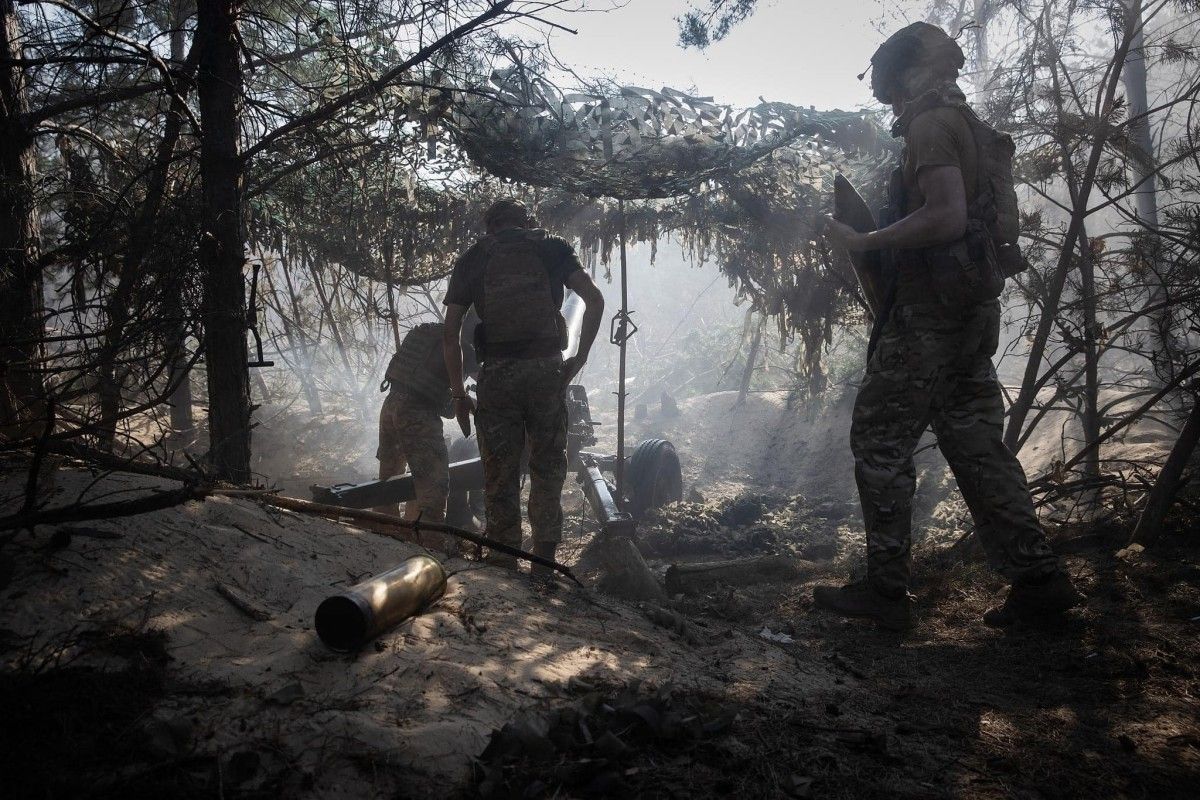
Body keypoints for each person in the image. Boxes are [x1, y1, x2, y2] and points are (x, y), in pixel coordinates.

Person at [821, 22, 1080, 630]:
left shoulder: (932, 125)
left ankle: (885, 593)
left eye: (889, 85)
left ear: (909, 73)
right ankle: (1039, 582)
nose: (888, 97)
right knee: (975, 446)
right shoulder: (965, 125)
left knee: (880, 441)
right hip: (966, 315)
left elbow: (946, 217)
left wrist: (865, 239)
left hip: (928, 317)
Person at [442, 198, 605, 576]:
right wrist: (578, 359)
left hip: (496, 376)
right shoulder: (552, 246)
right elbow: (594, 299)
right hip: (546, 374)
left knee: (500, 472)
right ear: (527, 221)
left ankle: (503, 565)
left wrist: (458, 394)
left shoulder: (474, 257)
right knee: (547, 468)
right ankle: (544, 568)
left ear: (490, 228)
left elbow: (450, 333)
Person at [376, 320, 477, 554]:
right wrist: (474, 405)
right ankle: (430, 553)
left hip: (391, 404)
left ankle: (382, 543)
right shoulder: (461, 347)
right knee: (434, 488)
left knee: (387, 483)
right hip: (417, 415)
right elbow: (451, 407)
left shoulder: (429, 332)